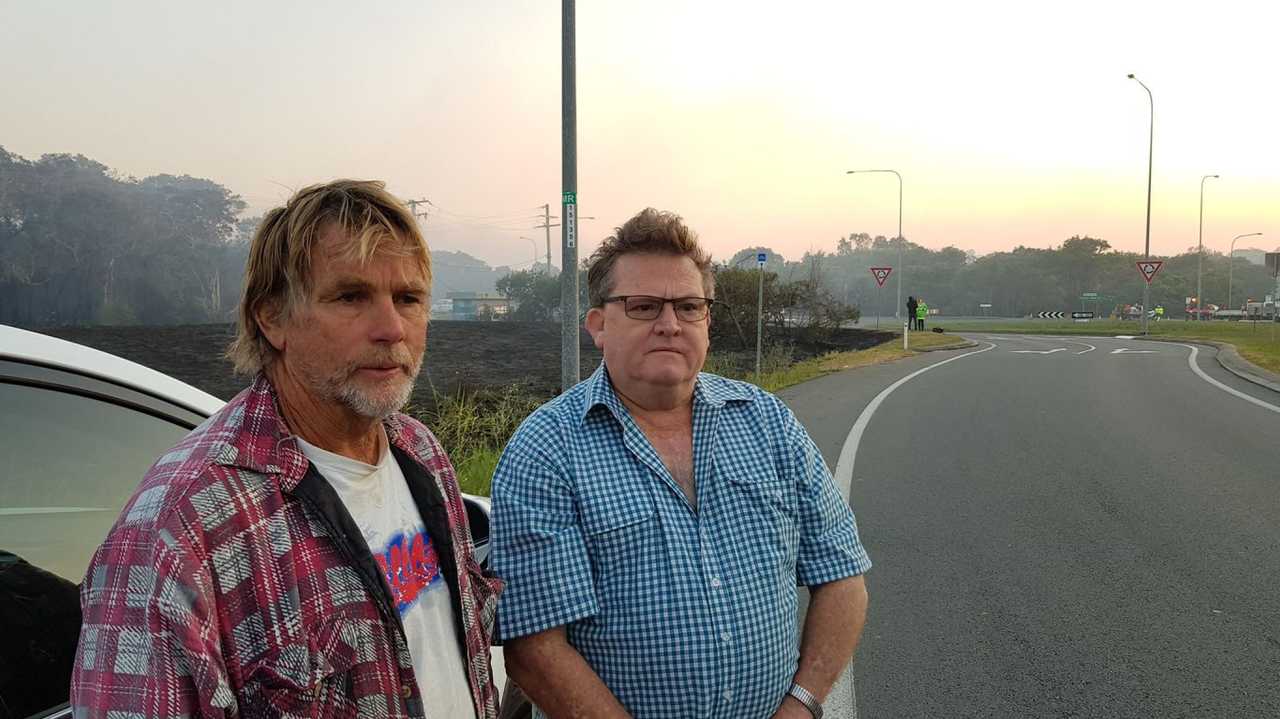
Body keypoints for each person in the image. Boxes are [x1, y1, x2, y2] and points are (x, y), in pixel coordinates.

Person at [71, 180, 503, 718]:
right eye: (350, 297)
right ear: (271, 317)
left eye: (408, 299)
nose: (392, 328)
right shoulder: (178, 529)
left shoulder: (420, 453)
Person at [490, 208, 871, 718]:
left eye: (689, 306)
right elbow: (535, 645)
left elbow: (842, 575)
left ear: (707, 320)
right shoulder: (547, 448)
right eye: (644, 306)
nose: (670, 324)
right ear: (599, 325)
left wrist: (802, 705)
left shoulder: (768, 422)